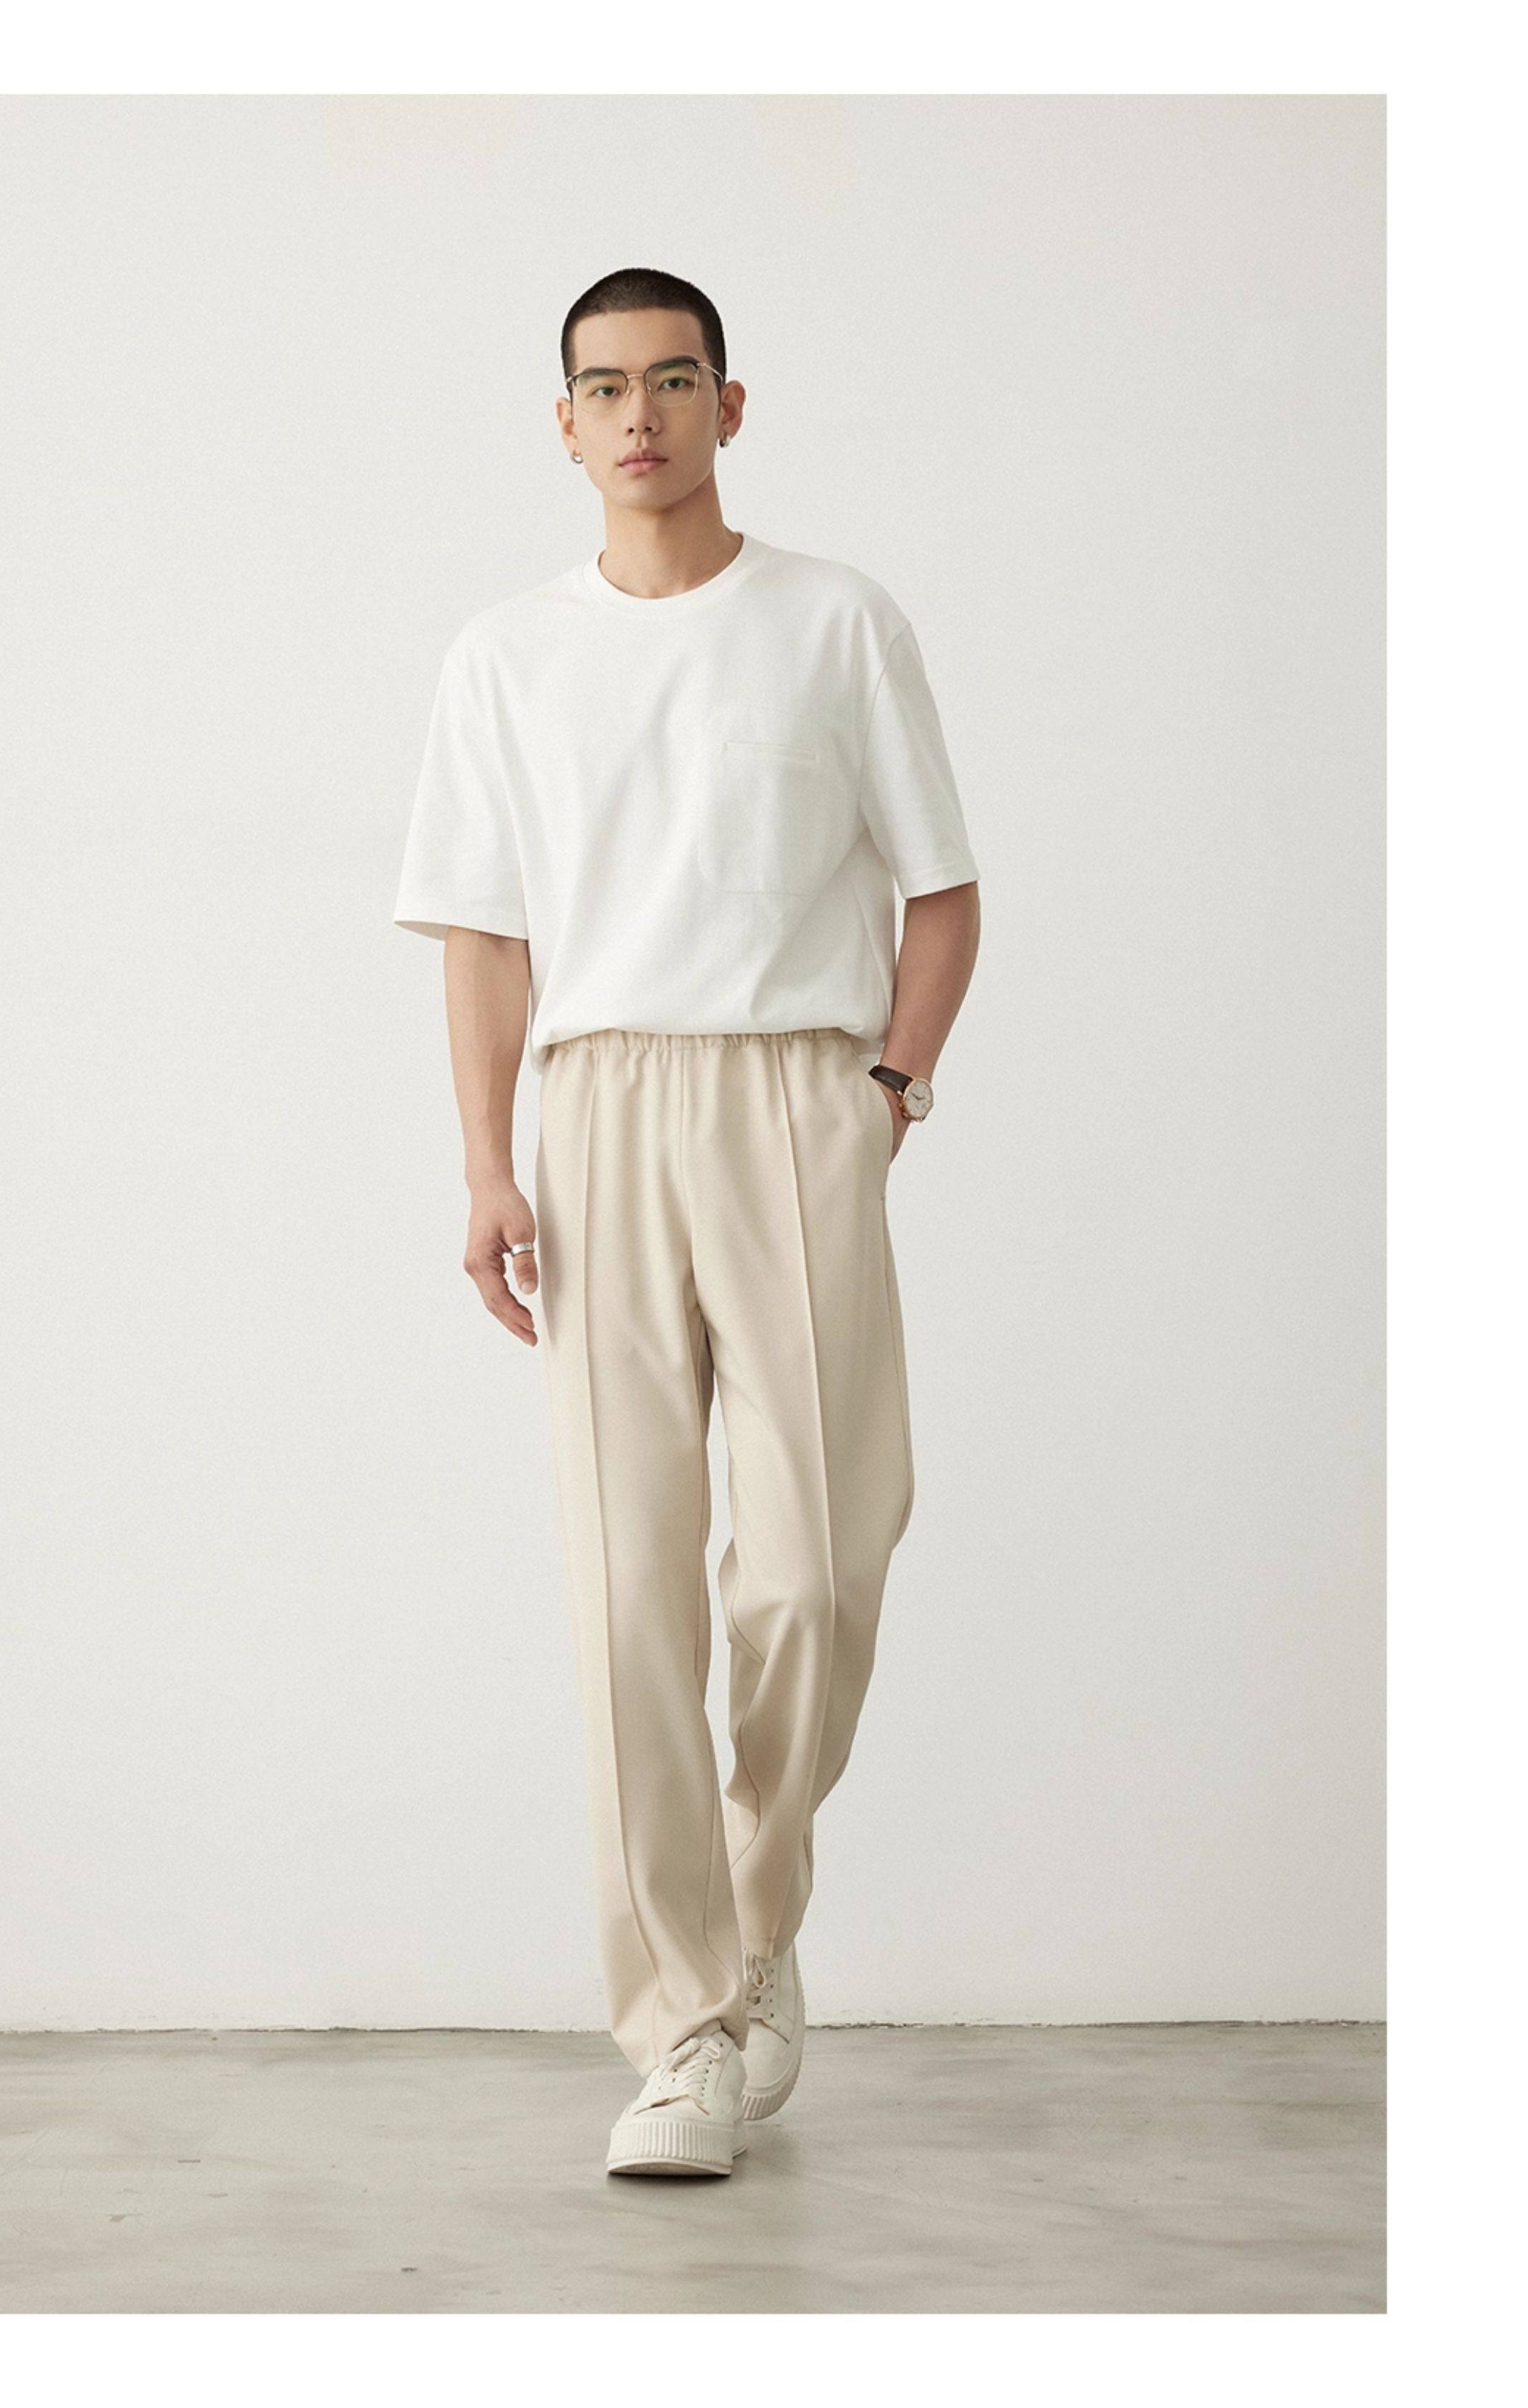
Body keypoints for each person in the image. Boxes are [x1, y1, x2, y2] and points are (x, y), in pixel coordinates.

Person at [393, 266, 982, 2179]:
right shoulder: (505, 656)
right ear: (562, 425)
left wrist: (886, 1094)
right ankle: (686, 2032)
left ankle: (749, 1910)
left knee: (818, 1563)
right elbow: (484, 936)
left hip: (799, 1093)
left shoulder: (834, 622)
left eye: (671, 380)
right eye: (601, 388)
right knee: (629, 1587)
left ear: (732, 404)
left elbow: (944, 892)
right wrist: (489, 1164)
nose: (636, 415)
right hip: (598, 1108)